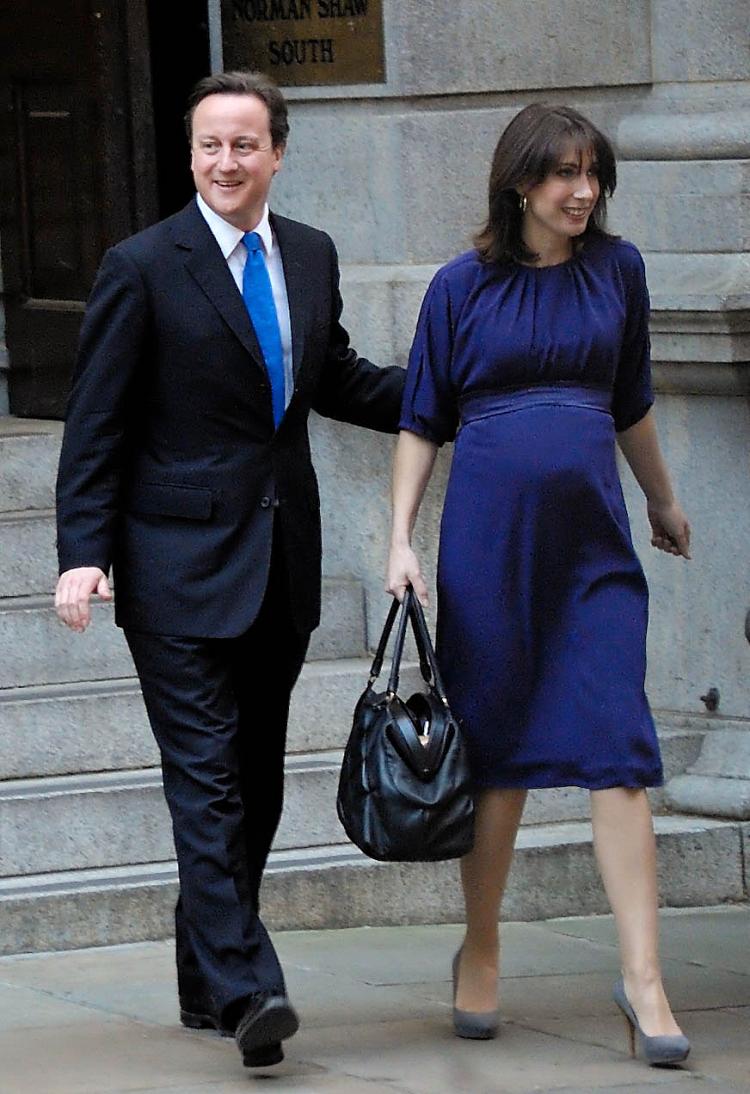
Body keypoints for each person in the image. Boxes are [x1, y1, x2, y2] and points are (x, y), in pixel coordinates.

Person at [55, 70, 404, 1069]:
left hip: (278, 562)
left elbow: (329, 374)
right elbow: (97, 423)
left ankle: (204, 975)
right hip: (171, 565)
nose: (224, 161)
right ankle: (252, 984)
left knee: (250, 783)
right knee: (205, 778)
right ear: (193, 152)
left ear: (277, 153)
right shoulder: (142, 264)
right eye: (209, 144)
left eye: (244, 144)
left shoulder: (309, 254)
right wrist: (84, 552)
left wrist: (445, 401)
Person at [386, 104, 692, 1067]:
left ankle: (644, 980)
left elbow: (631, 397)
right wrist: (397, 539)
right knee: (501, 752)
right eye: (564, 173)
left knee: (619, 750)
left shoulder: (620, 269)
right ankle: (480, 945)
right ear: (520, 182)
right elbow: (421, 418)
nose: (583, 190)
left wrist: (664, 503)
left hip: (593, 549)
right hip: (489, 548)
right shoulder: (459, 287)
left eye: (593, 172)